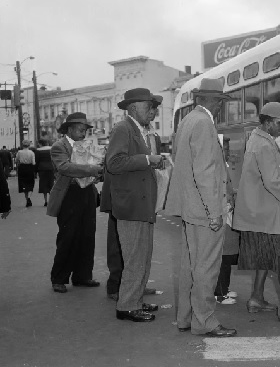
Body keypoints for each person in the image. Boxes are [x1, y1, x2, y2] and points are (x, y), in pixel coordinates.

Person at [166, 78, 237, 337]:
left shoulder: (187, 121)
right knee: (206, 267)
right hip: (204, 208)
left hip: (190, 207)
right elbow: (205, 171)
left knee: (191, 265)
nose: (220, 107)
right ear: (213, 100)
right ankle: (204, 320)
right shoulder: (205, 123)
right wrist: (214, 211)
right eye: (219, 101)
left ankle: (186, 317)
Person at [233, 102, 280, 325]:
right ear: (267, 122)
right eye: (279, 123)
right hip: (272, 208)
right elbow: (272, 181)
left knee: (265, 255)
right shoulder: (265, 145)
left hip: (262, 209)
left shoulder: (257, 139)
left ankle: (257, 298)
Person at [101, 88, 164, 323]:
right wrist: (148, 159)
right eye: (149, 106)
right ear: (132, 108)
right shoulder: (123, 129)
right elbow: (114, 162)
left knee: (142, 256)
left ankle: (135, 299)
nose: (153, 111)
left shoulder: (137, 130)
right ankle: (127, 306)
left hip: (141, 204)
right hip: (131, 205)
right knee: (135, 257)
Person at [47, 112, 103, 293]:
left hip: (87, 194)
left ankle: (82, 276)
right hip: (69, 195)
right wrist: (93, 169)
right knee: (68, 236)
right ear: (69, 129)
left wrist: (98, 172)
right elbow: (64, 167)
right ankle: (59, 278)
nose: (83, 132)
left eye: (85, 129)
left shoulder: (86, 146)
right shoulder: (59, 146)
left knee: (87, 235)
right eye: (80, 129)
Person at [214, 137, 239, 305]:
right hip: (223, 217)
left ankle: (225, 288)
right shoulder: (216, 168)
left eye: (229, 149)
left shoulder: (225, 166)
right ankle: (219, 293)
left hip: (229, 217)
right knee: (223, 256)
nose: (228, 153)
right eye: (225, 149)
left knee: (229, 254)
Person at [35, 139, 55, 206]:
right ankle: (52, 200)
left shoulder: (38, 150)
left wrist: (36, 170)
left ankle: (46, 201)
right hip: (51, 168)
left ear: (41, 144)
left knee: (44, 185)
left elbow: (37, 161)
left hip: (42, 169)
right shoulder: (52, 149)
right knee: (51, 184)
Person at [16, 139, 36, 207]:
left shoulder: (19, 152)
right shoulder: (31, 152)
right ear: (29, 145)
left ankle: (27, 199)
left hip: (22, 168)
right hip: (29, 168)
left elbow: (16, 160)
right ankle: (29, 198)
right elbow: (33, 163)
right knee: (30, 183)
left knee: (23, 184)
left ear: (22, 145)